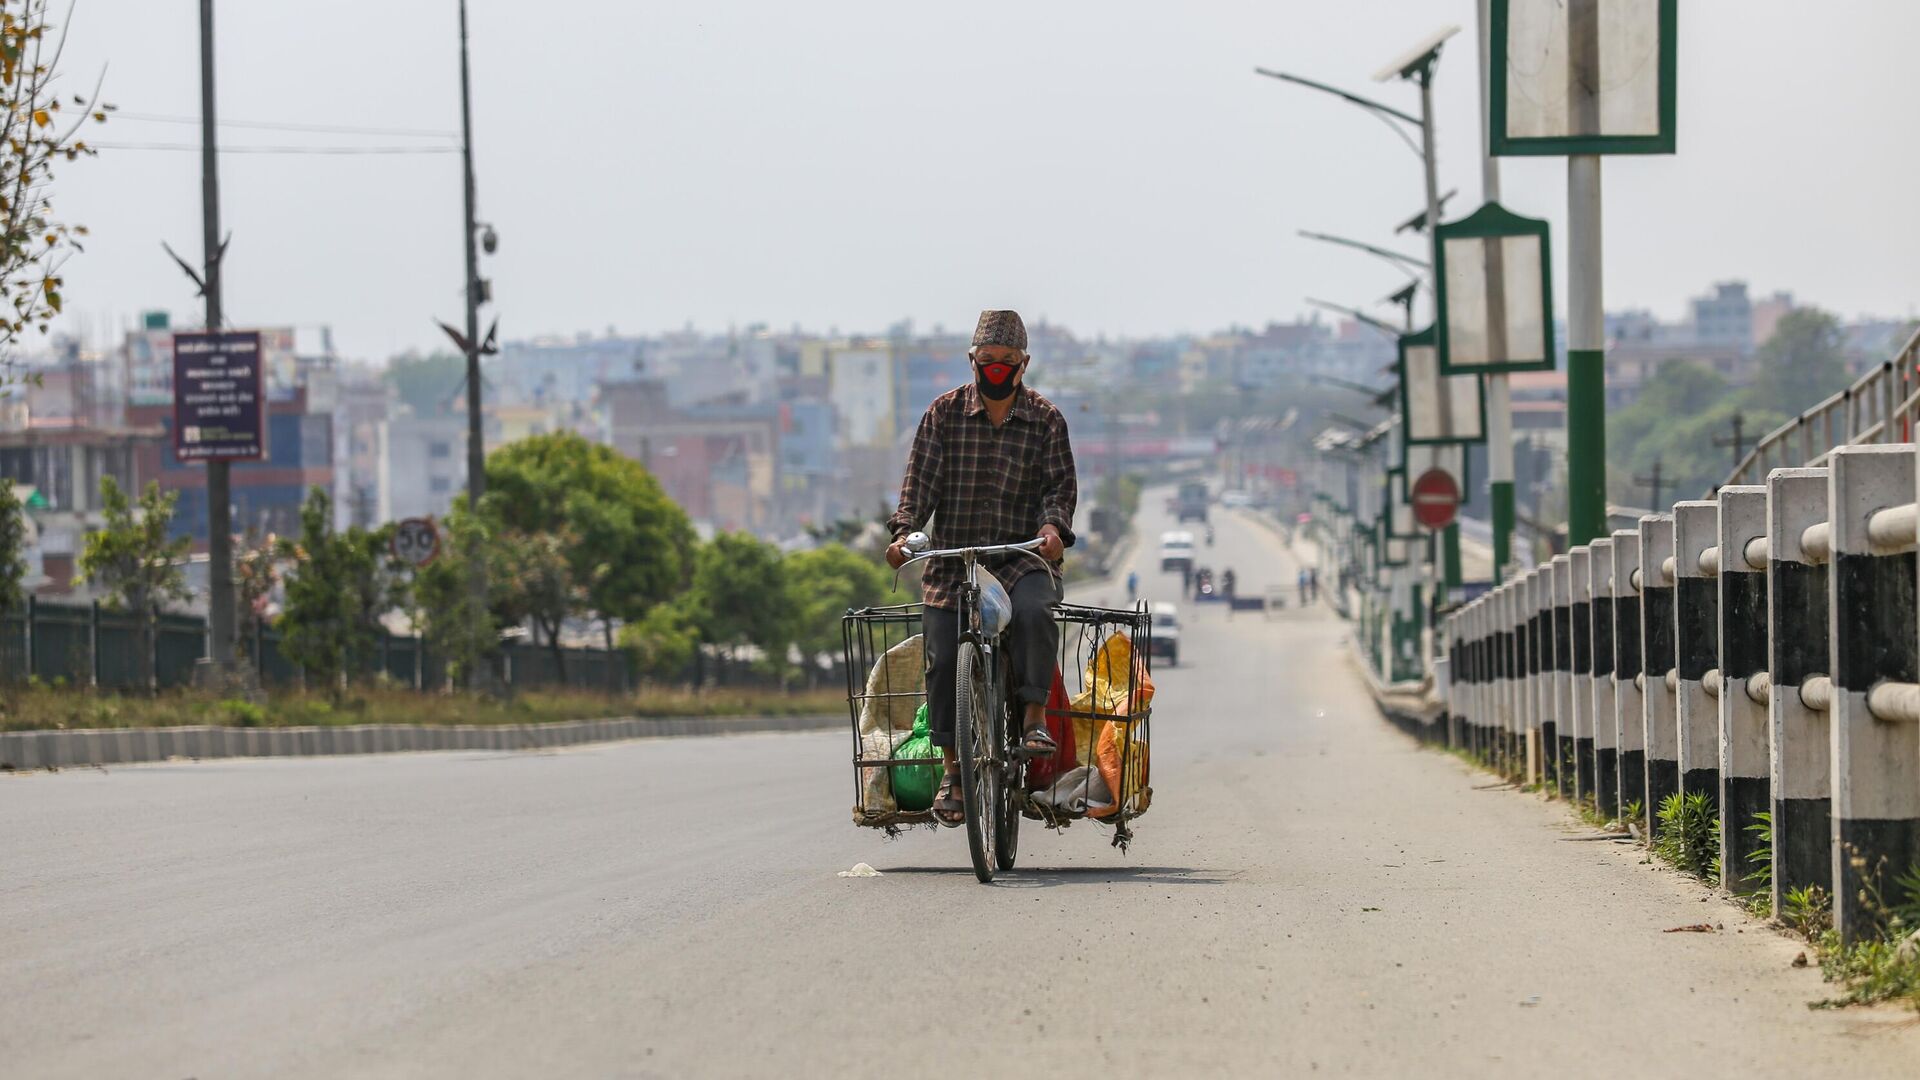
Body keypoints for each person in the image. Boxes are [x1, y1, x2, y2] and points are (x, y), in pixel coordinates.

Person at [886, 309, 1076, 828]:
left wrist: (1055, 529)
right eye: (987, 360)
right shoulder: (942, 415)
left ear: (1024, 364)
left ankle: (1034, 719)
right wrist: (904, 535)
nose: (996, 369)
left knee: (1037, 610)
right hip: (955, 562)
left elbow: (1059, 490)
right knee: (943, 656)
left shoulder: (1046, 419)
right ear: (972, 361)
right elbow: (917, 487)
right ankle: (953, 769)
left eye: (1007, 362)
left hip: (1021, 557)